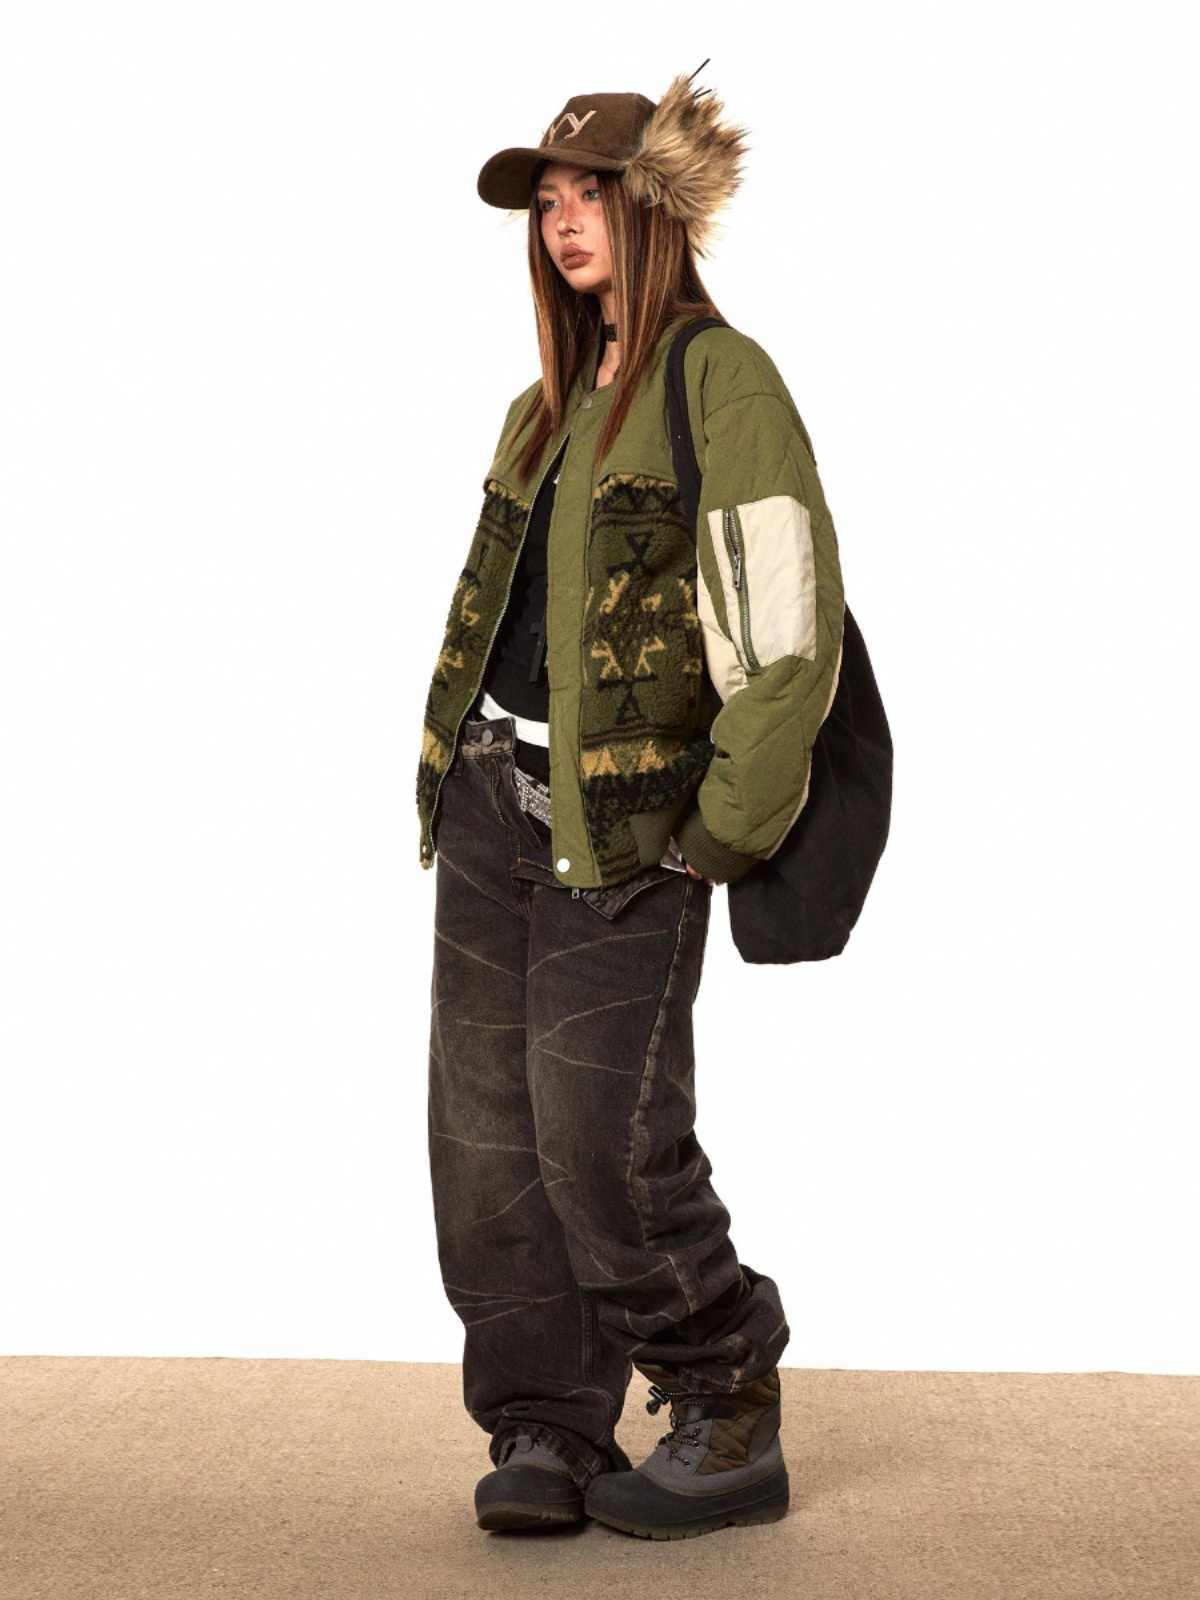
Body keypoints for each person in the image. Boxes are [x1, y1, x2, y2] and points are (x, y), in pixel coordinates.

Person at [416, 65, 846, 1540]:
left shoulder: (724, 382)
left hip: (629, 831)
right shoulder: (538, 410)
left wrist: (722, 828)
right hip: (493, 803)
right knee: (486, 1151)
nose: (562, 219)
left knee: (602, 1137)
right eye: (546, 199)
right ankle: (547, 1422)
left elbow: (788, 634)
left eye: (589, 192)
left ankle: (725, 1393)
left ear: (652, 206)